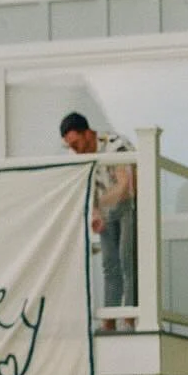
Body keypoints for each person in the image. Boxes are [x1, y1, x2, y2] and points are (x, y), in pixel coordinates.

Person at [59, 112, 136, 330]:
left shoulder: (114, 145)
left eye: (76, 143)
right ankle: (109, 322)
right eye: (70, 146)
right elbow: (87, 188)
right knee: (109, 266)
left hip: (129, 207)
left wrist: (99, 205)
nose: (75, 149)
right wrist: (94, 212)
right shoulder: (82, 159)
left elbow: (125, 185)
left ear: (88, 133)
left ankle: (130, 318)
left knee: (127, 260)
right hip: (107, 211)